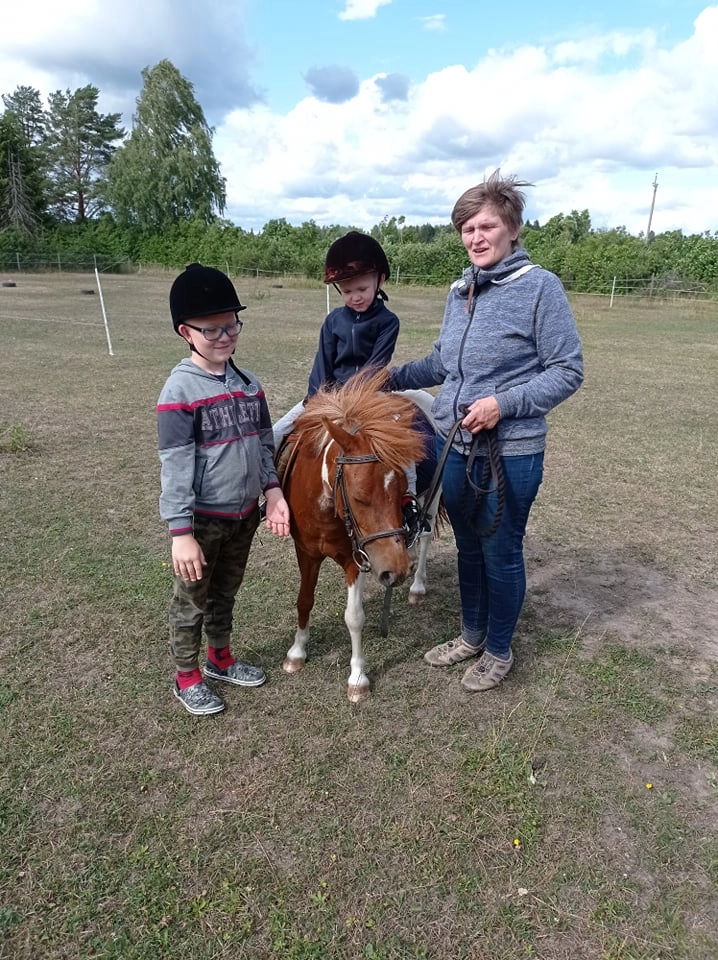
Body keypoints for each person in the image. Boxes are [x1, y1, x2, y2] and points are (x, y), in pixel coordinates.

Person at [388, 170, 584, 692]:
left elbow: (568, 370)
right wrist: (389, 377)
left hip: (509, 451)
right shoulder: (461, 290)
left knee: (500, 551)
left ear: (512, 229)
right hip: (455, 445)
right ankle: (472, 635)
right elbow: (443, 363)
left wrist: (503, 404)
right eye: (467, 228)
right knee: (468, 548)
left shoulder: (540, 287)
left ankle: (499, 649)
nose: (476, 238)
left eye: (487, 226)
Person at [158, 263, 290, 716]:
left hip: (244, 516)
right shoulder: (179, 391)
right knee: (191, 601)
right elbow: (176, 466)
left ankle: (219, 659)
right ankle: (186, 677)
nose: (224, 336)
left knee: (225, 593)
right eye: (211, 329)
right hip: (203, 522)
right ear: (186, 332)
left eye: (231, 325)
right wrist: (181, 533)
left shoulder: (249, 385)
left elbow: (265, 445)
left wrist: (272, 492)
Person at [272, 230, 421, 539]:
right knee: (275, 434)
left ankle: (408, 502)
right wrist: (316, 398)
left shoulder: (388, 322)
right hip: (328, 395)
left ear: (380, 280)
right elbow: (323, 362)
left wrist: (353, 401)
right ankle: (272, 497)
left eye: (362, 289)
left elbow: (375, 366)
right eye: (347, 291)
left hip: (371, 397)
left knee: (401, 442)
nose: (355, 297)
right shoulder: (333, 321)